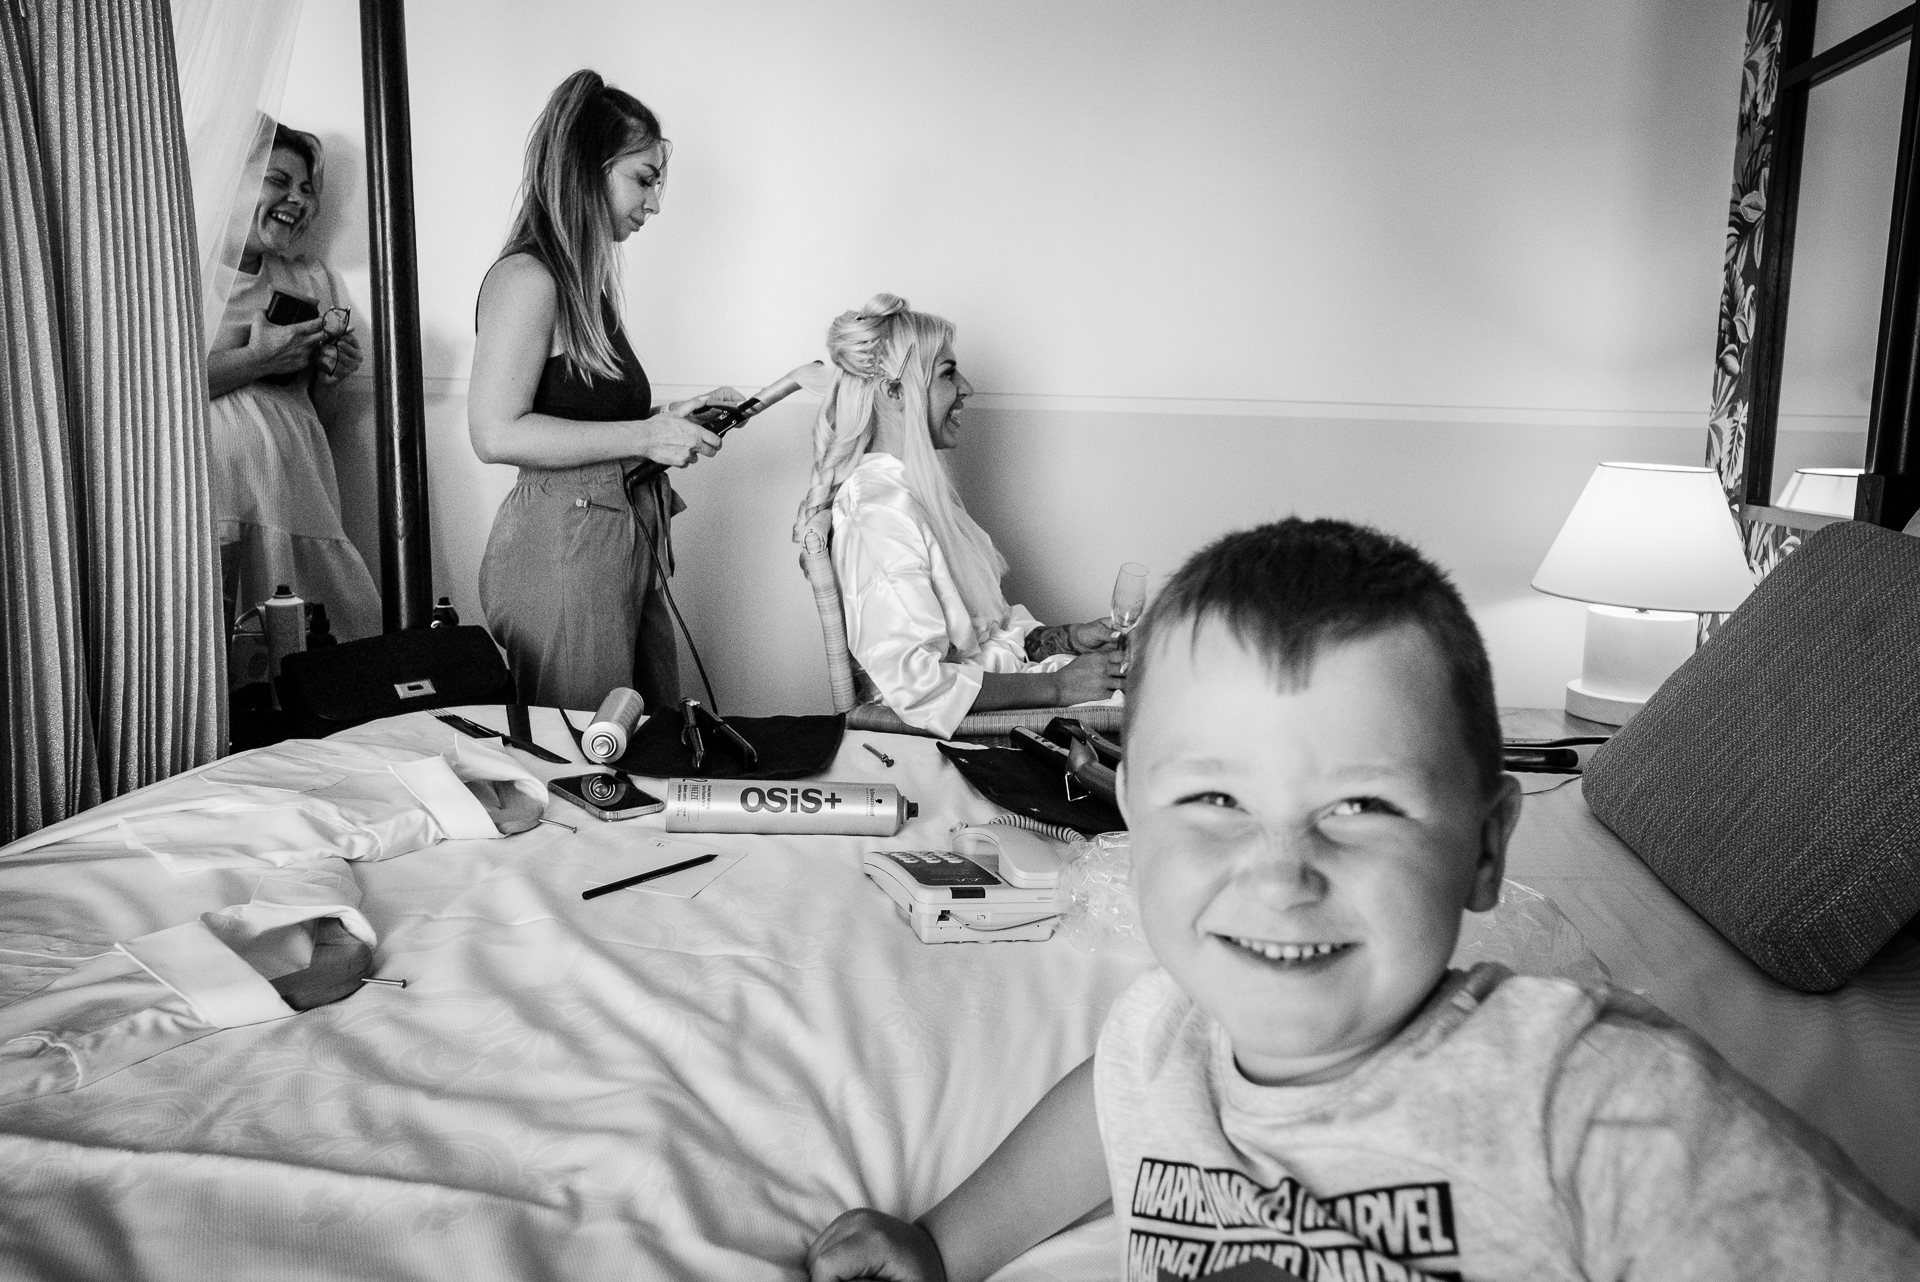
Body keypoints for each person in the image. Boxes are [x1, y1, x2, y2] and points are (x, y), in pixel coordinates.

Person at [807, 518, 1920, 1281]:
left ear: (1485, 851)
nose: (1280, 871)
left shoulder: (1597, 1102)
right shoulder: (1162, 1033)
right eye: (1214, 797)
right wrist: (944, 1246)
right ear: (1132, 814)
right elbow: (1100, 1111)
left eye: (1363, 807)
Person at [469, 70, 740, 711]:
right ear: (587, 169)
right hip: (562, 548)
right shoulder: (526, 278)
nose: (653, 203)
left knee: (643, 745)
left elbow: (577, 412)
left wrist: (668, 418)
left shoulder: (586, 290)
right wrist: (649, 434)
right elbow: (494, 432)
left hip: (615, 539)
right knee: (586, 763)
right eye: (642, 180)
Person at [792, 295, 1124, 736]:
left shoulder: (919, 495)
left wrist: (1068, 639)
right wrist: (1059, 686)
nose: (966, 387)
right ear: (894, 392)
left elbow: (988, 634)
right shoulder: (877, 514)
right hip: (969, 739)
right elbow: (916, 686)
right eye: (948, 373)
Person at [207, 123, 380, 640]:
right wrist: (259, 357)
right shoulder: (171, 272)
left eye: (308, 189)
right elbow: (149, 397)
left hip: (299, 503)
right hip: (218, 513)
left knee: (324, 662)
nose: (297, 199)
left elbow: (319, 418)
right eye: (277, 181)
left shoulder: (312, 279)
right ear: (225, 179)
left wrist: (331, 372)